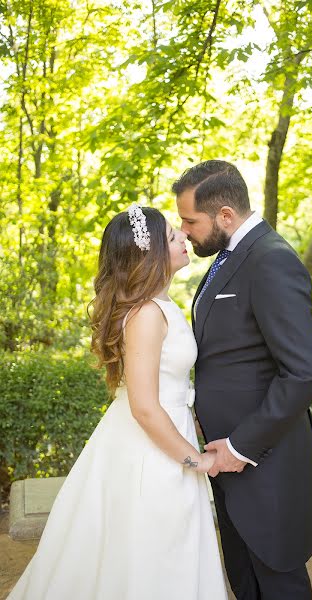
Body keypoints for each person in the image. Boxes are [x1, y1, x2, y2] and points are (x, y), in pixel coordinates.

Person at [8, 205, 228, 600]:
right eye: (172, 236)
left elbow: (166, 384)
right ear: (151, 253)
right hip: (150, 450)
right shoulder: (146, 314)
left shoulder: (160, 305)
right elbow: (144, 406)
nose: (183, 237)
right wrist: (199, 461)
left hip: (166, 435)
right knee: (153, 550)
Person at [173, 160, 312, 600]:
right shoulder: (227, 259)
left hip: (263, 462)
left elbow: (304, 371)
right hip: (225, 461)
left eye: (190, 220)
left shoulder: (272, 260)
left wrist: (241, 447)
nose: (184, 231)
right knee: (245, 579)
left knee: (278, 581)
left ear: (224, 215)